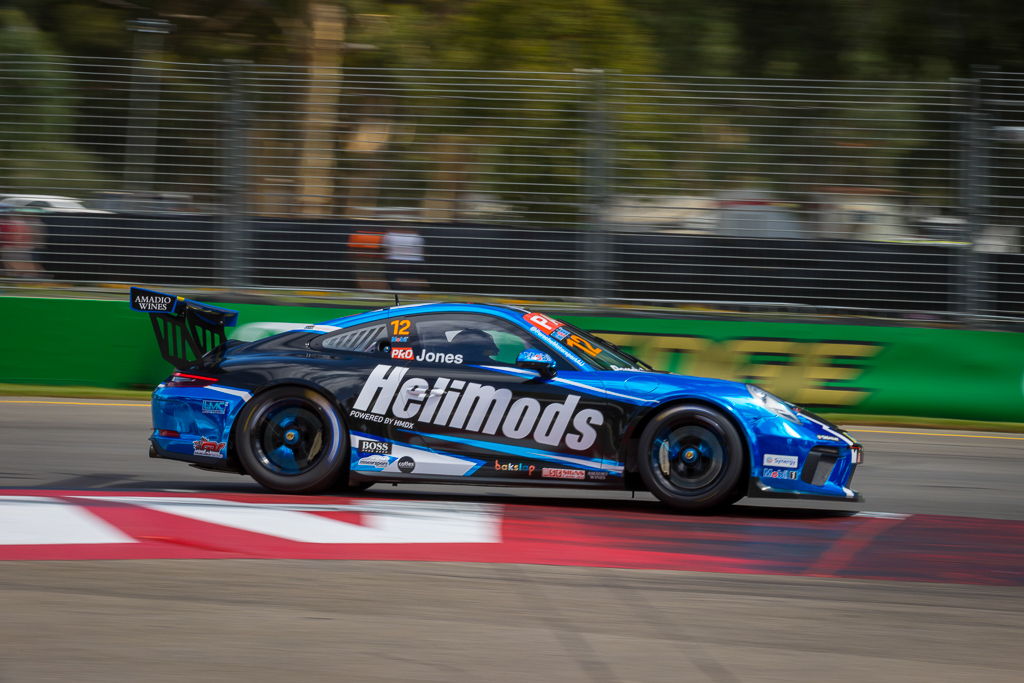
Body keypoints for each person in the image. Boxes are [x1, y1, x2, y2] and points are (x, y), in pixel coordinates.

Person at [1, 208, 49, 280]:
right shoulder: (25, 223)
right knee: (30, 264)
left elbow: (18, 236)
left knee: (23, 265)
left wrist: (17, 244)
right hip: (29, 247)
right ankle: (41, 276)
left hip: (22, 247)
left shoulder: (17, 223)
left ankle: (38, 277)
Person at [382, 226, 427, 292]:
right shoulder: (418, 237)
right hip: (414, 263)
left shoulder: (389, 235)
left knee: (390, 275)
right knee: (413, 277)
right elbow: (423, 253)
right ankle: (412, 291)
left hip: (395, 262)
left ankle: (396, 291)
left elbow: (386, 252)